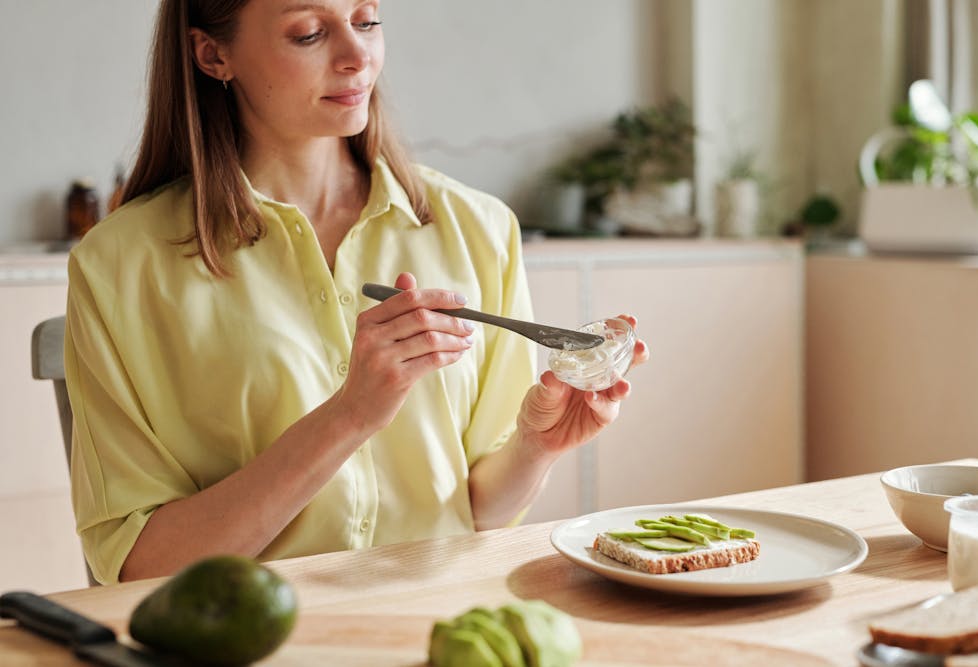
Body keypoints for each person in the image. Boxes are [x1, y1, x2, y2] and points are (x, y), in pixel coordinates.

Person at [64, 0, 649, 586]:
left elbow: (478, 515)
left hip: (441, 624)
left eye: (367, 20)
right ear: (214, 54)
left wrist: (536, 446)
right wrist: (351, 415)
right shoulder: (118, 264)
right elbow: (141, 566)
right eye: (310, 33)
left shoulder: (480, 229)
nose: (357, 56)